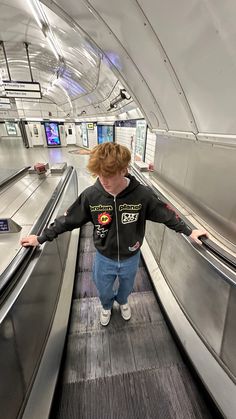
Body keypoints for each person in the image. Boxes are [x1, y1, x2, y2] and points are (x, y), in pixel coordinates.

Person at [21, 143, 209, 326]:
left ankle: (123, 301)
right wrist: (40, 238)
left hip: (131, 257)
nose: (104, 180)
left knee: (126, 288)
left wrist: (189, 231)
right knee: (103, 290)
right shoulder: (91, 195)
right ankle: (106, 306)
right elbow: (67, 220)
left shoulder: (142, 195)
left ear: (123, 170)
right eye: (100, 175)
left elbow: (166, 213)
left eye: (109, 175)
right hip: (104, 257)